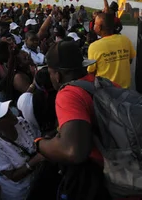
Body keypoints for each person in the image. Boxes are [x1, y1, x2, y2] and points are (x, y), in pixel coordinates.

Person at [36, 41, 116, 199]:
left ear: (57, 75)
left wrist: (40, 144)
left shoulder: (68, 94)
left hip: (103, 180)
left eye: (51, 73)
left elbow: (73, 152)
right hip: (124, 171)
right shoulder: (104, 83)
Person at [0, 99, 45, 200]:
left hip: (39, 179)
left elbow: (38, 140)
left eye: (7, 109)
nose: (9, 112)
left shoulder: (21, 122)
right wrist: (36, 160)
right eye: (4, 114)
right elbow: (14, 176)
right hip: (22, 193)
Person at [88, 13, 136, 89]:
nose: (94, 26)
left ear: (99, 28)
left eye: (95, 24)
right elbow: (130, 60)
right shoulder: (125, 40)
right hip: (125, 90)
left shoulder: (94, 46)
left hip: (105, 92)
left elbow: (91, 71)